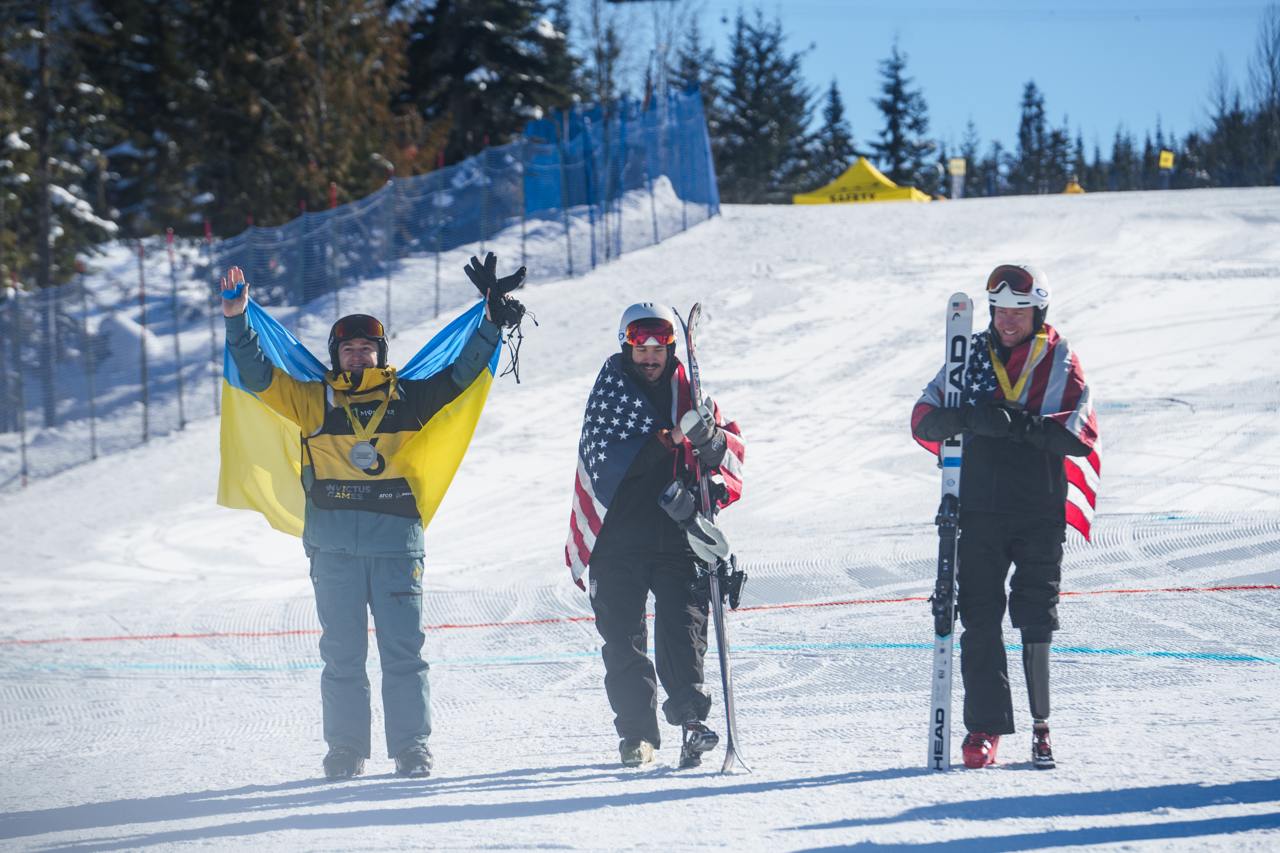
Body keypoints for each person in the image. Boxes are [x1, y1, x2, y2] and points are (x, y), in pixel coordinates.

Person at [220, 254, 525, 780]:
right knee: (342, 658)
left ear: (380, 354)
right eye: (348, 349)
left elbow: (462, 373)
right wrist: (237, 318)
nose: (358, 357)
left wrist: (492, 322)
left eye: (367, 348)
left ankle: (412, 748)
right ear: (336, 356)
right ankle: (346, 750)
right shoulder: (313, 401)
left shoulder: (409, 398)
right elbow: (257, 375)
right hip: (334, 548)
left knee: (404, 655)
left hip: (395, 546)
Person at [911, 264, 1099, 770]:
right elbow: (923, 418)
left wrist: (1017, 425)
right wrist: (971, 417)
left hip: (1038, 508)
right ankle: (984, 727)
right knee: (978, 616)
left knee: (1036, 615)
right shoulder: (968, 355)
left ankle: (1042, 727)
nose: (1007, 319)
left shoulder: (1059, 359)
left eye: (1018, 310)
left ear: (1037, 311)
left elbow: (1078, 437)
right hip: (978, 508)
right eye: (1000, 310)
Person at [565, 303, 745, 768]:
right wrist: (665, 442)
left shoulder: (694, 398)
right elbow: (604, 461)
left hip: (677, 538)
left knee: (683, 633)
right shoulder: (609, 396)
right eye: (639, 346)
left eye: (658, 345)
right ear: (626, 345)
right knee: (623, 643)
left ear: (670, 347)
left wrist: (712, 442)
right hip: (617, 539)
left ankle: (691, 723)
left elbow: (732, 463)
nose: (649, 355)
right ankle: (637, 737)